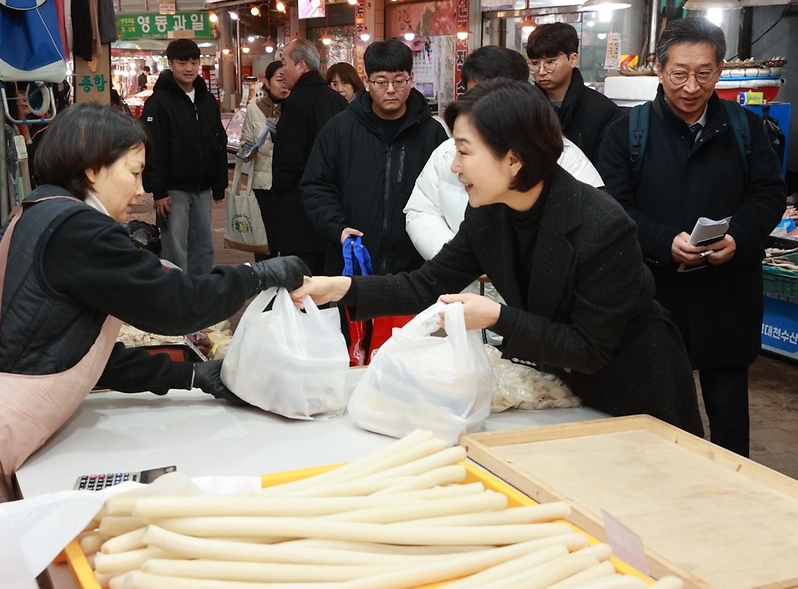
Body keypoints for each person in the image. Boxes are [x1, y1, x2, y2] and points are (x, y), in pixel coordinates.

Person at [0, 104, 310, 503]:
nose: (141, 191)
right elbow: (177, 305)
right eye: (135, 172)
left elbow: (73, 352)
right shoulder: (79, 230)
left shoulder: (43, 209)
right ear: (92, 168)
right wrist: (257, 275)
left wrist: (192, 374)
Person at [293, 78, 703, 435]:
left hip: (638, 386)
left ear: (513, 158)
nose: (454, 167)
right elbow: (426, 284)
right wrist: (335, 288)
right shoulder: (490, 213)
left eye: (464, 151)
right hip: (569, 386)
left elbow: (590, 347)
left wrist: (496, 317)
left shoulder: (601, 226)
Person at [596, 18, 786, 457]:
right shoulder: (628, 132)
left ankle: (733, 488)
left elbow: (768, 192)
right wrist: (664, 242)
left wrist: (738, 236)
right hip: (655, 291)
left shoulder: (744, 128)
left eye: (704, 73)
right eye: (679, 73)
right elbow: (613, 207)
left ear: (720, 71)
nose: (690, 86)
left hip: (728, 289)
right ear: (659, 71)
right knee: (658, 402)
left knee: (729, 406)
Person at [405, 46, 603, 267]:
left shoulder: (565, 159)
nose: (479, 109)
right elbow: (421, 211)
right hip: (461, 291)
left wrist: (508, 267)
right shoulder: (448, 153)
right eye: (473, 96)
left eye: (491, 99)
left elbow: (584, 240)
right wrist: (453, 253)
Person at [301, 38, 448, 277]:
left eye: (399, 81)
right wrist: (338, 228)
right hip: (351, 263)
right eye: (381, 82)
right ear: (367, 82)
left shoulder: (432, 133)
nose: (390, 90)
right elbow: (316, 186)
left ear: (411, 79)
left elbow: (446, 196)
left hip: (415, 271)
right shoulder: (340, 129)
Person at [140, 39, 227, 275]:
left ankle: (200, 293)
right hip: (173, 191)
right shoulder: (158, 103)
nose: (189, 68)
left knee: (203, 246)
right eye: (182, 62)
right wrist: (159, 191)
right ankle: (178, 295)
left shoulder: (206, 100)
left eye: (194, 62)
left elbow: (218, 140)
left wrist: (219, 184)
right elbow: (152, 148)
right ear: (170, 64)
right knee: (175, 247)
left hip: (202, 188)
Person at [270, 39, 348, 275]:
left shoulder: (296, 102)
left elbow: (289, 159)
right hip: (333, 205)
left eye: (284, 63)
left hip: (300, 205)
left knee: (303, 282)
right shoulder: (338, 100)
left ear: (301, 66)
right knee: (328, 279)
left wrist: (278, 193)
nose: (281, 70)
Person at [526, 23, 622, 162]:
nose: (541, 71)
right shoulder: (525, 107)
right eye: (535, 63)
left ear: (573, 59)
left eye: (550, 62)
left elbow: (608, 168)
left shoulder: (602, 110)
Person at [240, 60, 290, 261]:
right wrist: (254, 146)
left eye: (287, 79)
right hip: (263, 186)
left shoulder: (297, 106)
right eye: (279, 79)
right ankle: (266, 285)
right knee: (265, 243)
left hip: (289, 185)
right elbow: (243, 149)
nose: (284, 84)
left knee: (288, 240)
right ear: (267, 83)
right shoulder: (255, 109)